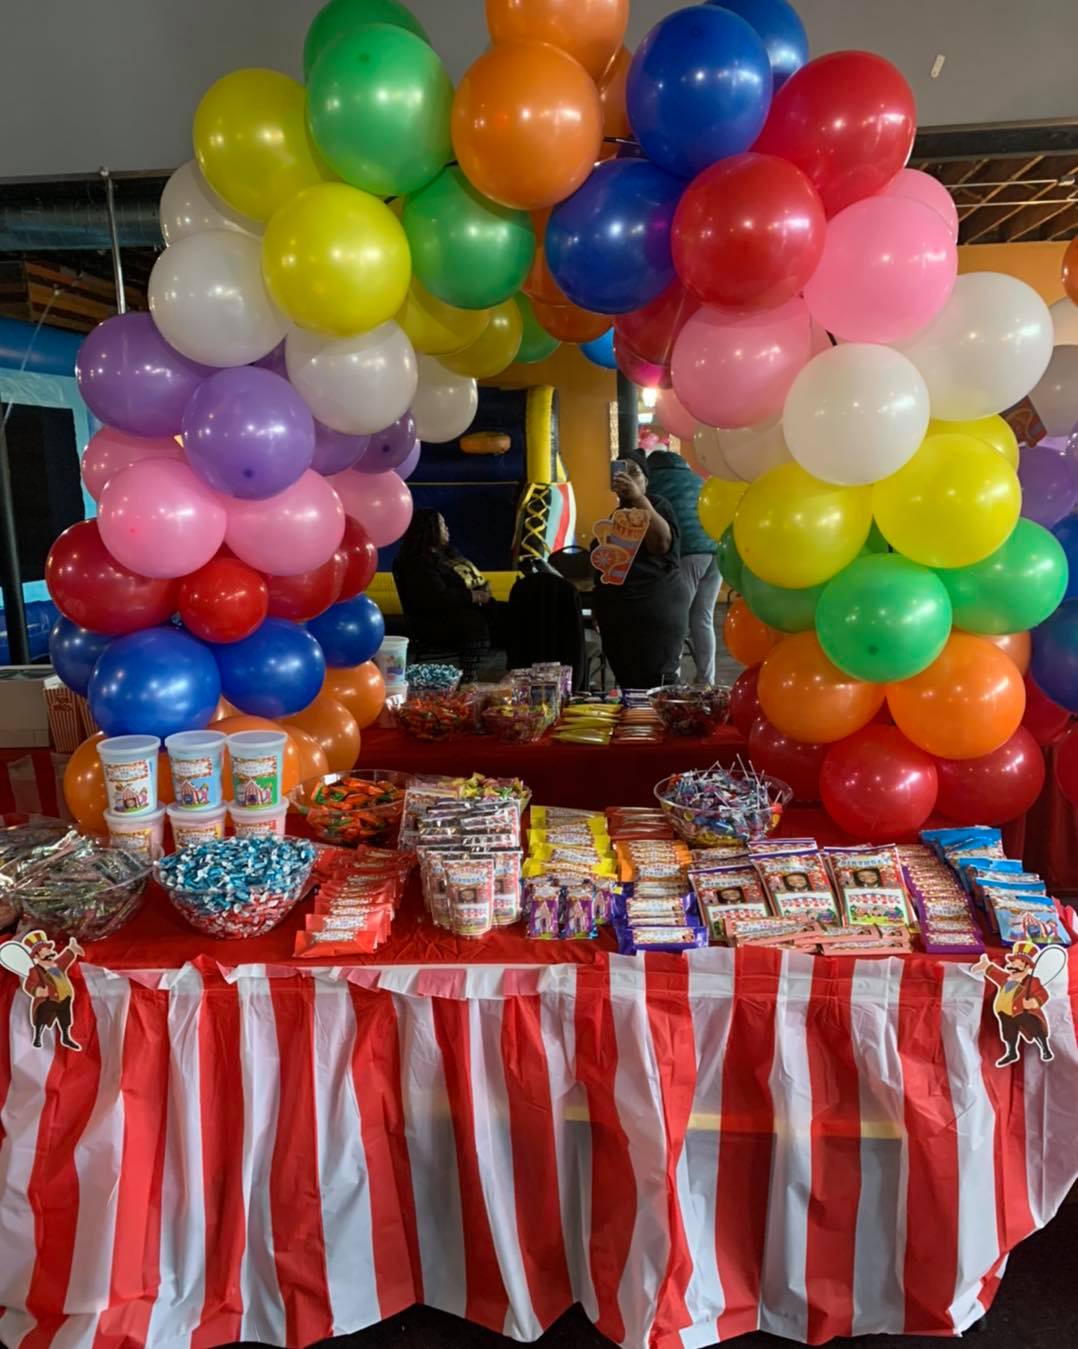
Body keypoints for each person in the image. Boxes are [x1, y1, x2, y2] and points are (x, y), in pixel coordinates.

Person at [590, 452, 688, 689]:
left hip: (656, 615)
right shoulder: (614, 518)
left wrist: (638, 498)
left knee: (657, 686)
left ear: (646, 481)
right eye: (621, 471)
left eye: (634, 473)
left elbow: (661, 543)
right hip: (619, 620)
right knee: (628, 685)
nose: (627, 479)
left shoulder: (657, 505)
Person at [645, 445, 721, 683]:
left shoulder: (653, 483)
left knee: (676, 619)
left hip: (687, 553)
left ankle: (672, 679)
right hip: (716, 553)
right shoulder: (695, 480)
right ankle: (706, 680)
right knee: (703, 618)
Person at [393, 511, 507, 668]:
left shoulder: (447, 554)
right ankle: (470, 675)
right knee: (475, 622)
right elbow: (436, 598)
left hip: (469, 607)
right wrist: (474, 596)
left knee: (512, 611)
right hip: (436, 619)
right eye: (442, 525)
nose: (447, 529)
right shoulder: (417, 563)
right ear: (429, 529)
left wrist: (481, 589)